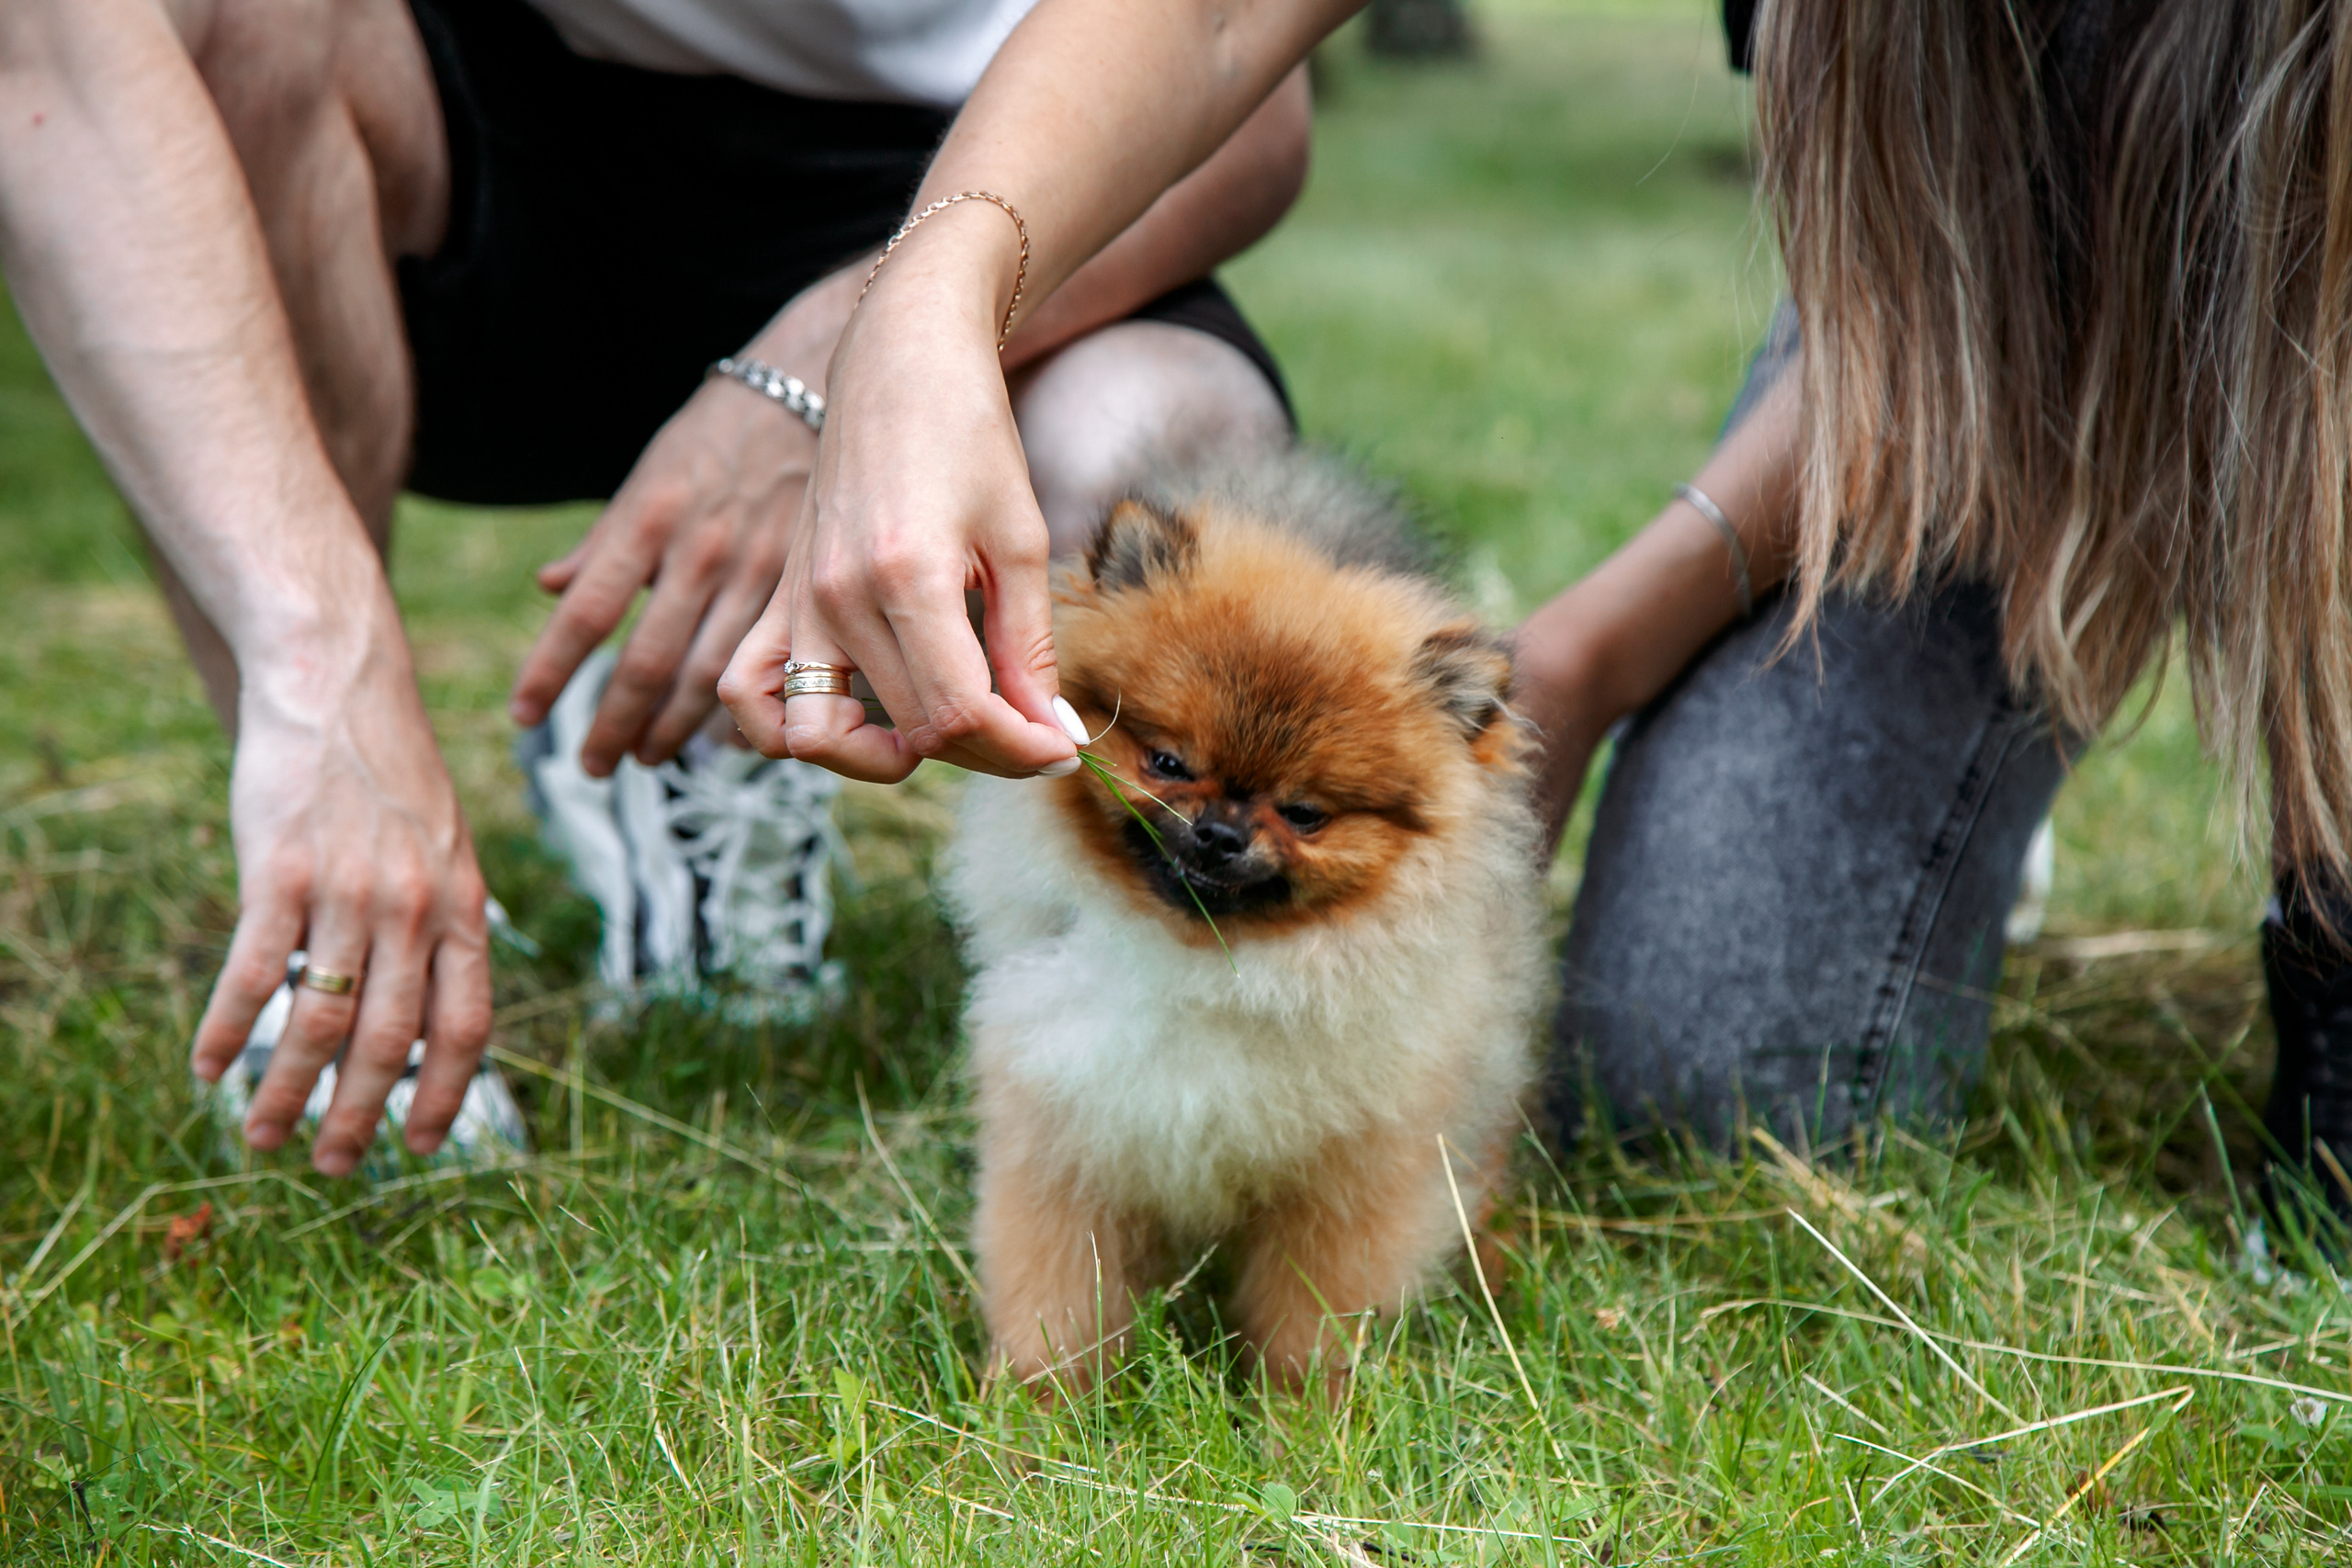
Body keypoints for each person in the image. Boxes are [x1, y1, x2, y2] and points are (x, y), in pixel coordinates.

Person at [724, 0, 2352, 1215]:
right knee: (1704, 1091)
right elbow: (1955, 309)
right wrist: (921, 310)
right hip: (1950, 355)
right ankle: (1985, 715)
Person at [0, 0, 1307, 1175]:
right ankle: (329, 868)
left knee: (1165, 447)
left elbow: (1242, 80)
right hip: (500, 136)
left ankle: (1072, 972)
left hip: (987, 160)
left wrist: (841, 359)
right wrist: (320, 665)